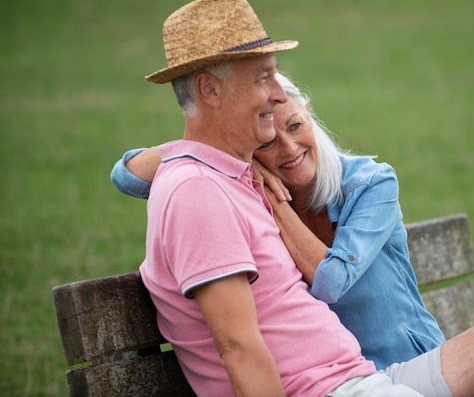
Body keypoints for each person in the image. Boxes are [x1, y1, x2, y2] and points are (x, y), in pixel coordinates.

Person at [116, 0, 474, 397]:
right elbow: (238, 346)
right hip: (341, 384)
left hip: (365, 375)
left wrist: (244, 174)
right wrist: (197, 155)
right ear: (209, 90)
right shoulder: (203, 188)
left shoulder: (297, 181)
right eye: (262, 78)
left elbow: (324, 280)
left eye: (278, 82)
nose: (275, 93)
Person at [111, 71, 446, 370]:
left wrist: (274, 201)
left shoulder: (370, 183)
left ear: (310, 117)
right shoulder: (245, 190)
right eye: (268, 142)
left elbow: (333, 281)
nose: (288, 149)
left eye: (296, 126)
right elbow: (127, 176)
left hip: (408, 362)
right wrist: (211, 150)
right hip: (335, 378)